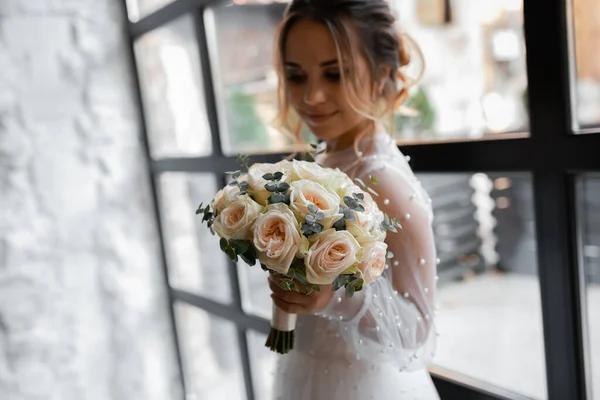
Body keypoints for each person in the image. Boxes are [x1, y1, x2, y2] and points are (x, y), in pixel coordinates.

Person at [267, 0, 440, 399]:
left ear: (381, 74)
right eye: (296, 75)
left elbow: (419, 331)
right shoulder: (321, 163)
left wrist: (335, 297)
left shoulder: (382, 181)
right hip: (304, 371)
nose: (312, 96)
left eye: (335, 73)